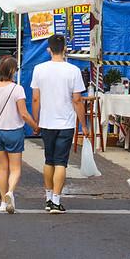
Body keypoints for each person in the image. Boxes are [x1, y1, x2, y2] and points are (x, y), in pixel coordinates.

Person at [31, 34, 89, 214]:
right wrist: (84, 125)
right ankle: (56, 200)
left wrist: (35, 121)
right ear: (65, 49)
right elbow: (77, 100)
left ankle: (48, 198)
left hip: (47, 121)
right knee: (61, 162)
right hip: (66, 122)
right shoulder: (73, 71)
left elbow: (35, 98)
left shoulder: (39, 69)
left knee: (49, 160)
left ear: (48, 49)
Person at [0, 56, 39, 214]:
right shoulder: (17, 89)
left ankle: (3, 202)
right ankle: (11, 192)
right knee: (15, 168)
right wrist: (35, 127)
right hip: (14, 132)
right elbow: (23, 114)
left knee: (2, 168)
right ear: (12, 71)